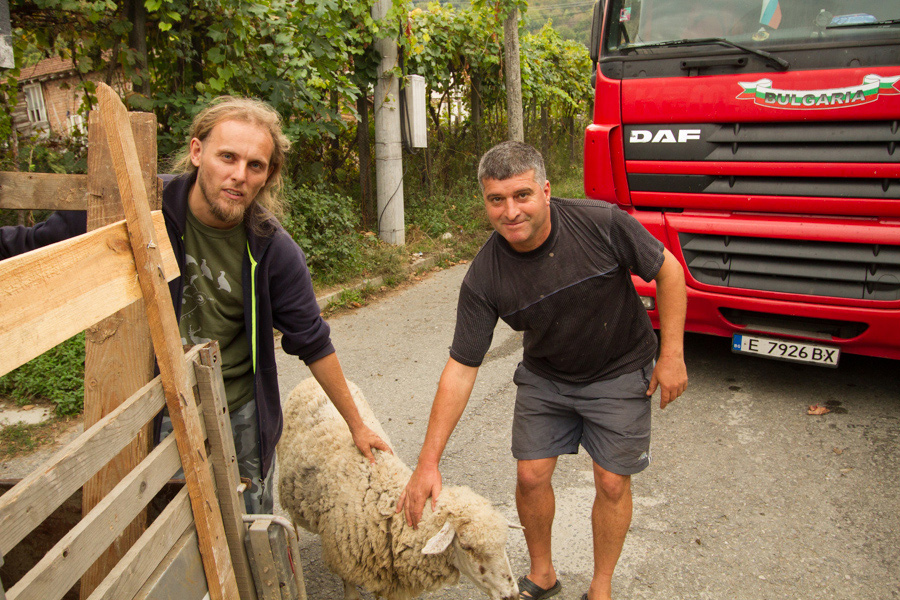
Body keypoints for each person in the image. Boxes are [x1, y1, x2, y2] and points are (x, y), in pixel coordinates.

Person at [0, 96, 390, 514]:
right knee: (158, 527)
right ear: (197, 152)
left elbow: (313, 342)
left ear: (268, 175)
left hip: (238, 410)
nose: (238, 175)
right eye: (227, 157)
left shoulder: (273, 250)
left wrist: (357, 424)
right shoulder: (134, 208)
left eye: (255, 165)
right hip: (153, 408)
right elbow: (33, 245)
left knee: (247, 533)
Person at [396, 141, 688, 600]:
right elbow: (460, 368)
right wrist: (427, 463)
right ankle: (544, 574)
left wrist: (672, 355)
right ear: (486, 202)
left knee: (612, 481)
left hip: (619, 368)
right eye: (497, 199)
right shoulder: (485, 276)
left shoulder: (600, 223)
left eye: (522, 195)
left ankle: (602, 586)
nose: (510, 212)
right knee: (531, 475)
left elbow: (669, 272)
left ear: (546, 190)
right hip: (547, 374)